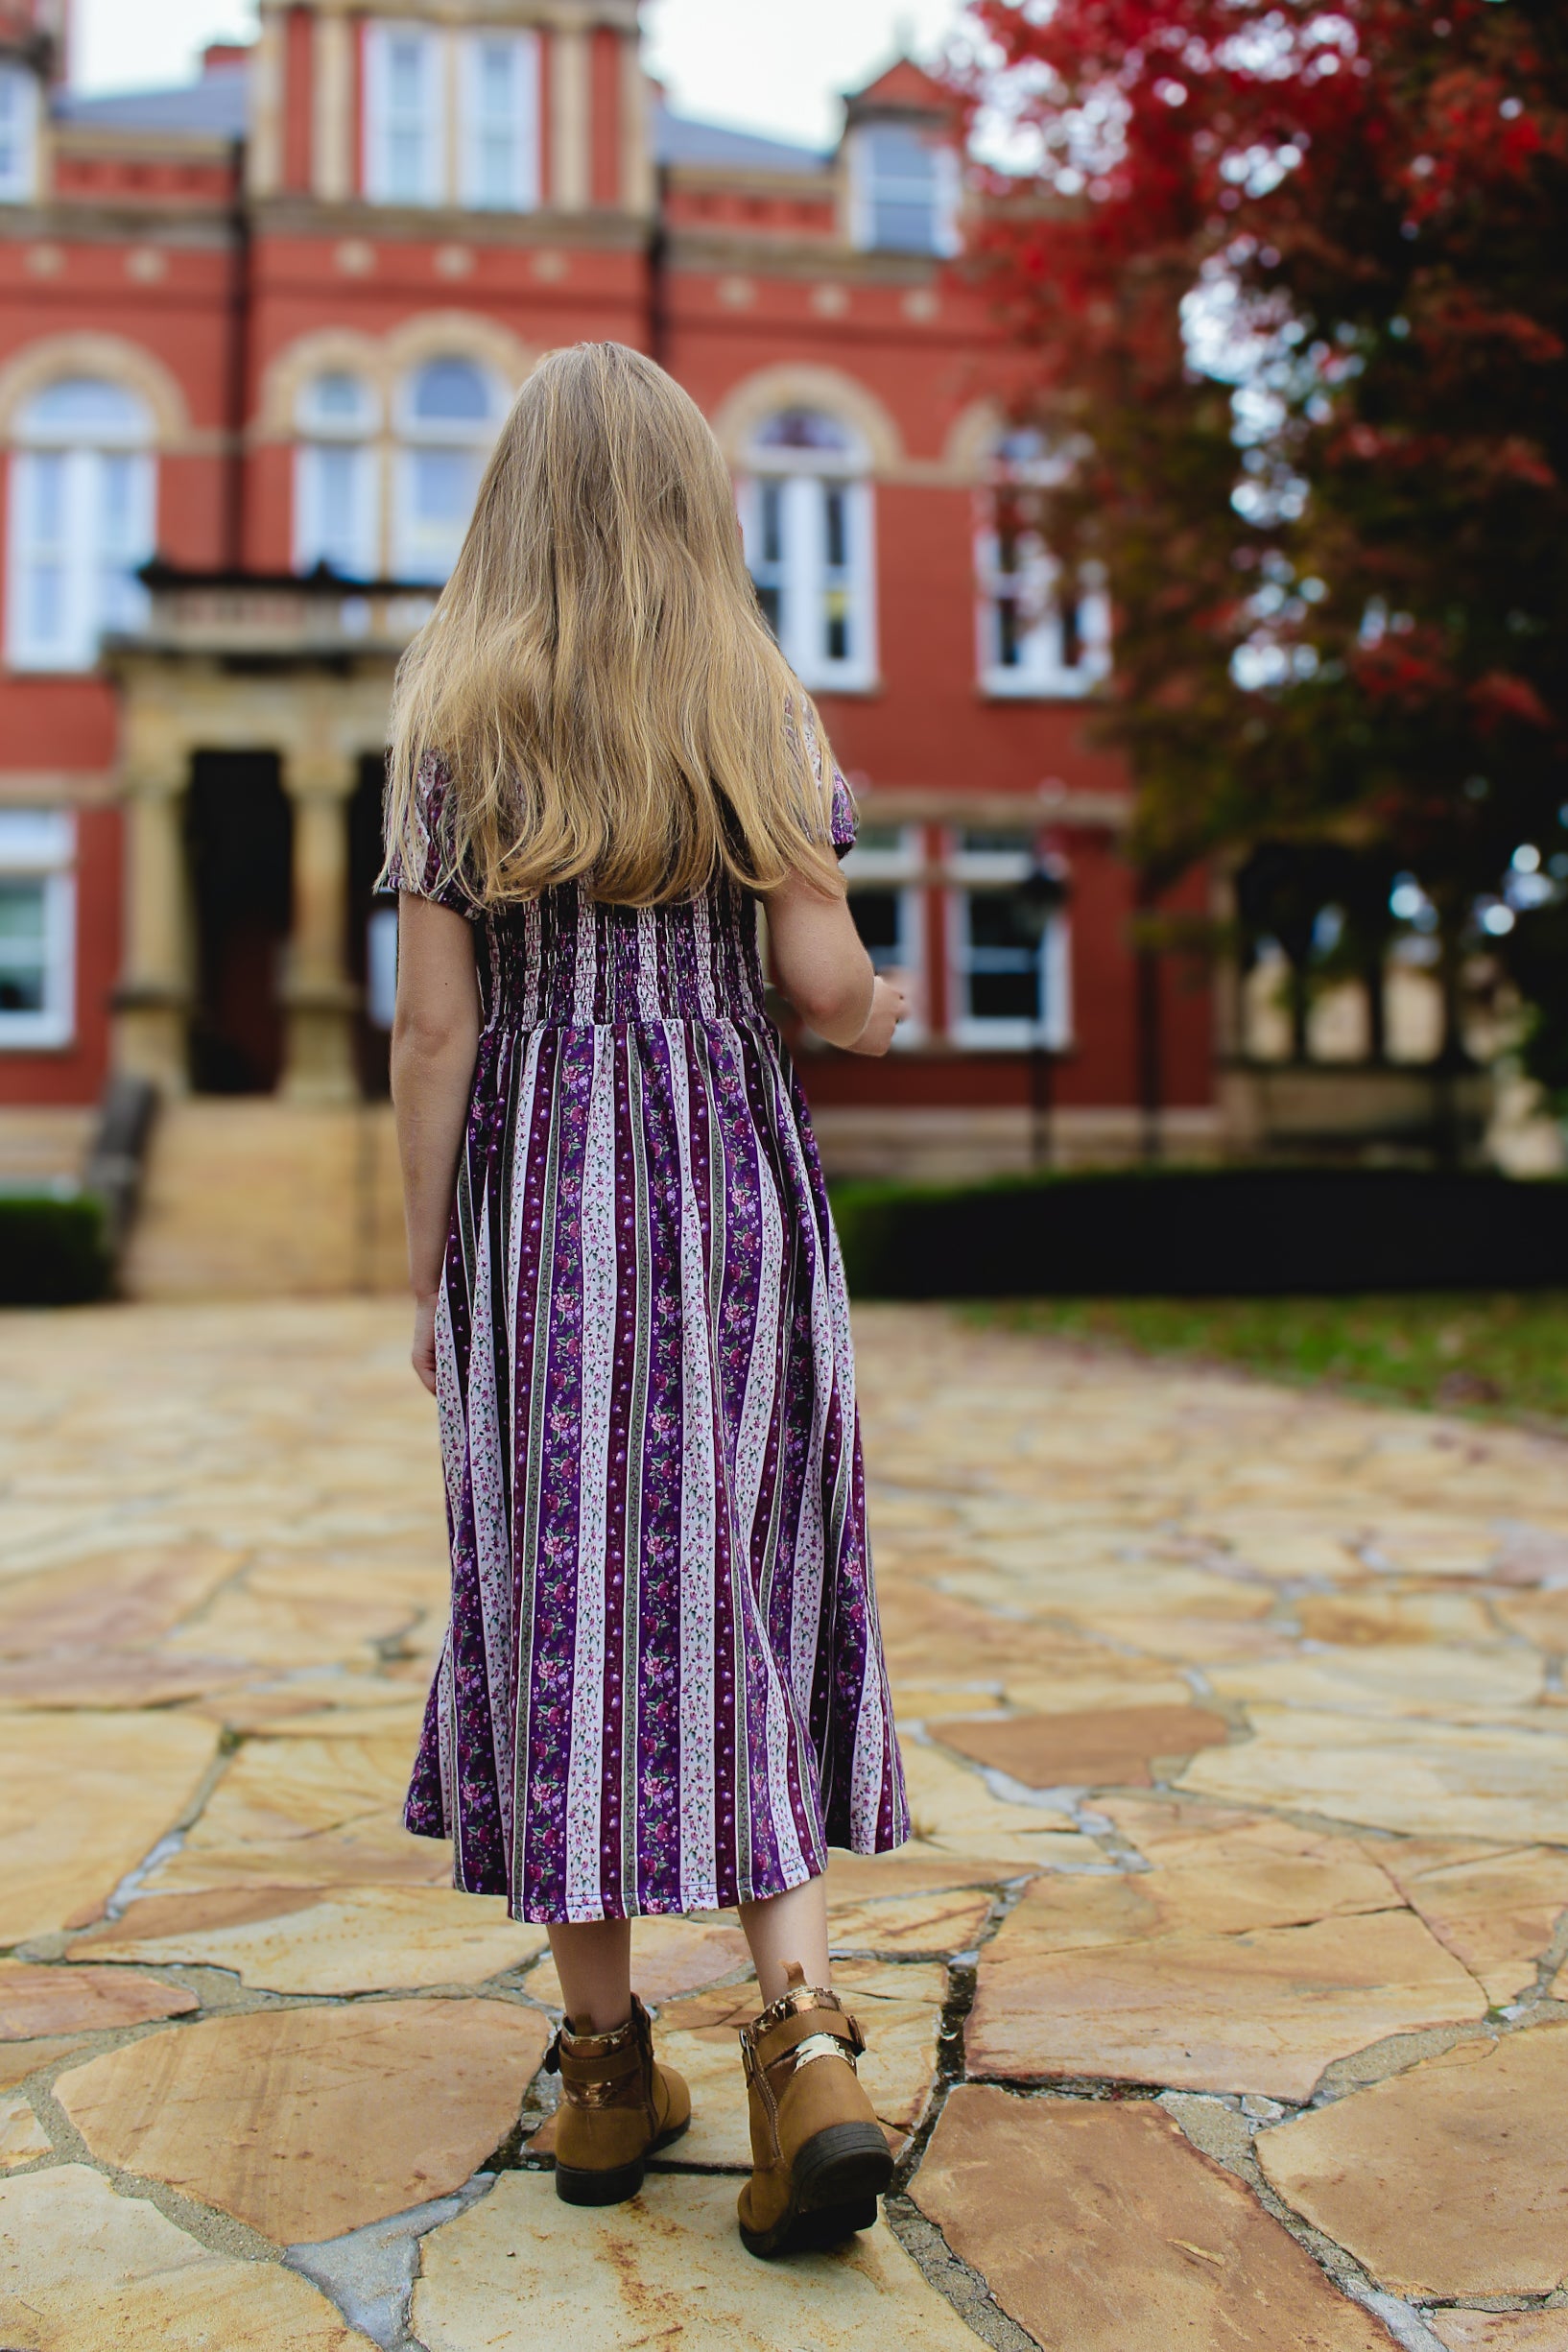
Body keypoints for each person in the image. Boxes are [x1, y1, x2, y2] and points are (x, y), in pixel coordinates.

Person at [383, 341, 911, 2259]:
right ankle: (802, 2039)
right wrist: (882, 1004)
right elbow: (825, 977)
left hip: (541, 1204)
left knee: (558, 1596)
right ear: (698, 504)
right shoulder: (755, 702)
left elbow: (434, 1030)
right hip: (732, 1198)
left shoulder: (453, 710)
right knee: (731, 1575)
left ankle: (604, 2071)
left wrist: (427, 1268)